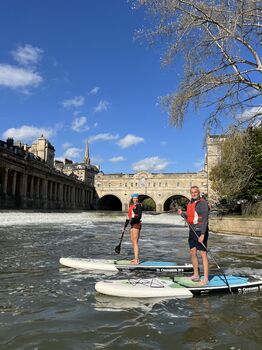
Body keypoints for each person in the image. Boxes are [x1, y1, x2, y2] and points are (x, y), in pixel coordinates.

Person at [178, 186, 209, 285]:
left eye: (195, 192)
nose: (193, 194)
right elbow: (190, 217)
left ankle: (206, 278)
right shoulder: (190, 203)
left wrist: (203, 234)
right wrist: (182, 213)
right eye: (192, 192)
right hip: (192, 230)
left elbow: (204, 220)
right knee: (192, 252)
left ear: (198, 192)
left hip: (200, 231)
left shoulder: (203, 203)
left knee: (203, 254)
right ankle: (196, 274)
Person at [123, 193, 143, 264]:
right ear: (132, 199)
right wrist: (124, 227)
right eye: (134, 198)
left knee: (135, 242)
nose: (135, 199)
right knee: (133, 242)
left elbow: (139, 217)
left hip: (136, 224)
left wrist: (132, 218)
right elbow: (128, 218)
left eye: (136, 198)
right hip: (132, 225)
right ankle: (135, 258)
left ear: (138, 199)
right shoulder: (131, 206)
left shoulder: (139, 206)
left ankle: (136, 260)